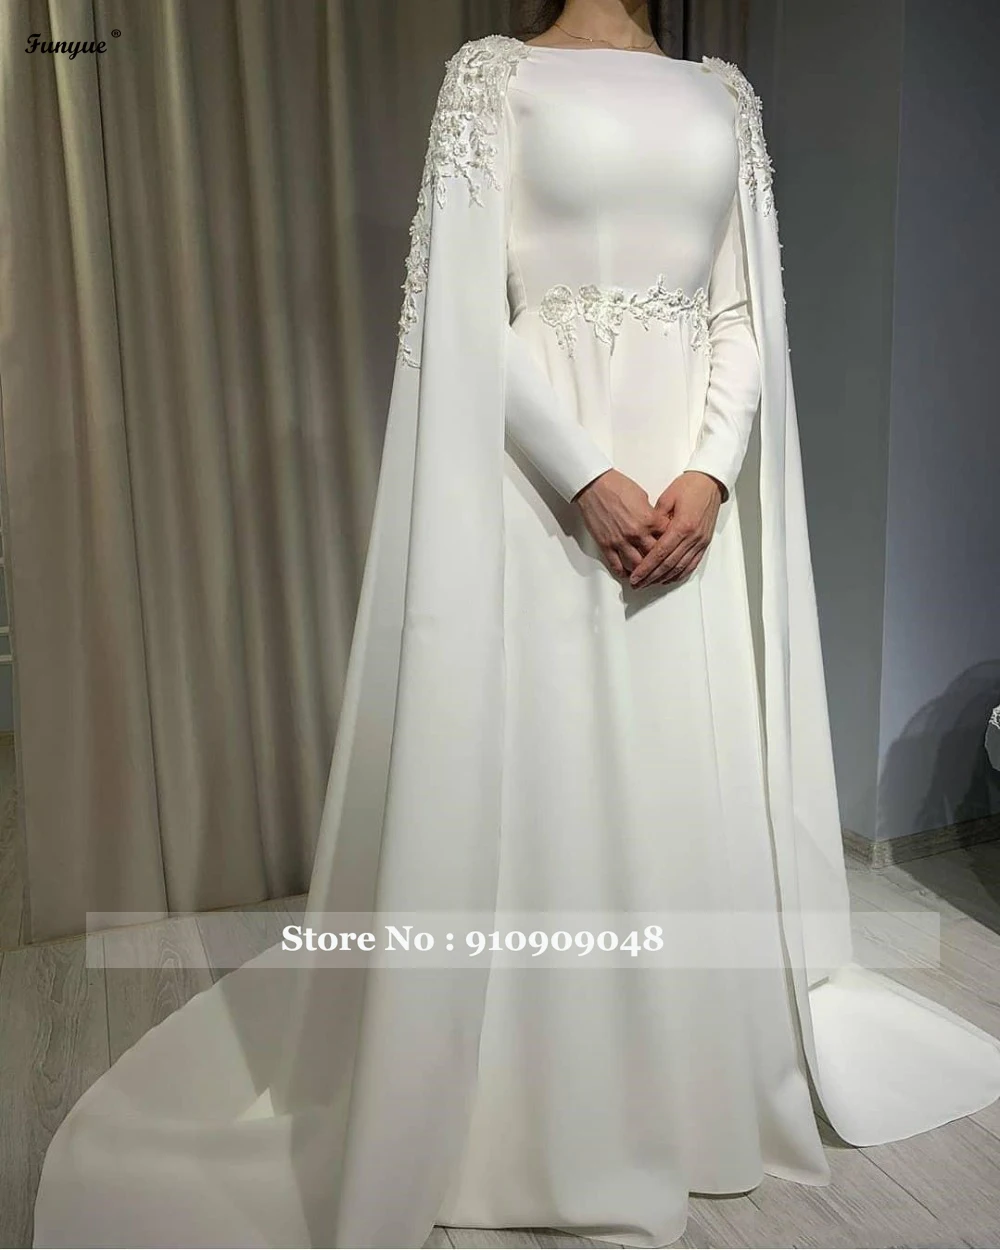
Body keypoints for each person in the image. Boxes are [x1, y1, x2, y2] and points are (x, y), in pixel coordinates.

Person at [31, 1, 1000, 1247]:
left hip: (686, 509)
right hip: (545, 498)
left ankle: (691, 1084)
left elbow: (740, 313)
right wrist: (584, 475)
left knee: (676, 779)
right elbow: (459, 309)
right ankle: (539, 1103)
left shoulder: (726, 96)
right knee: (555, 777)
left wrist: (710, 472)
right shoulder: (493, 79)